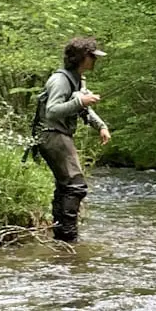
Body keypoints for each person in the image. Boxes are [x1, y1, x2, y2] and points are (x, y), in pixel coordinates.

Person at [30, 37, 112, 242]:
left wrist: (100, 126)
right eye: (92, 57)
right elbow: (52, 111)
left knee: (65, 186)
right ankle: (68, 237)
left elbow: (83, 108)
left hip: (58, 135)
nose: (95, 61)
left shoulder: (78, 78)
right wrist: (79, 101)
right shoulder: (60, 80)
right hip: (51, 135)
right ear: (82, 57)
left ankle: (61, 237)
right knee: (76, 186)